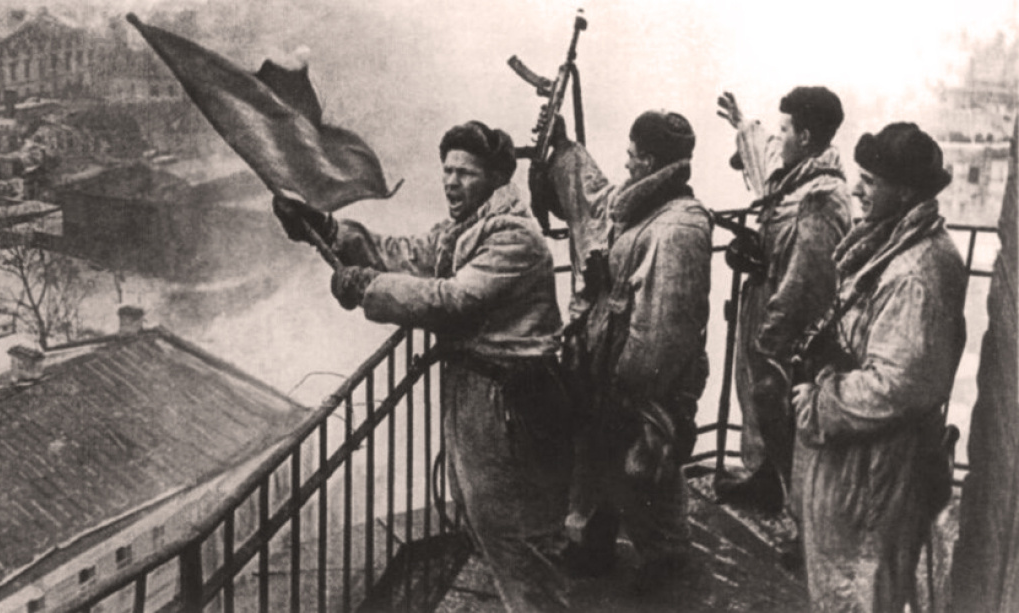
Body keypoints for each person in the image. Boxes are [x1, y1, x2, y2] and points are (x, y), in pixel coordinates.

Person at [274, 121, 572, 613]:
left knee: (516, 538)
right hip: (484, 397)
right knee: (492, 528)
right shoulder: (470, 226)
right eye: (447, 171)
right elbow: (406, 255)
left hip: (511, 404)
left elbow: (452, 300)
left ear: (495, 178)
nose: (451, 182)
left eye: (465, 173)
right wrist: (326, 229)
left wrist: (369, 288)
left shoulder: (514, 238)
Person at [791, 122, 967, 612]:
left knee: (859, 589)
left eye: (870, 181)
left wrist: (821, 400)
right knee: (852, 582)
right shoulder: (900, 245)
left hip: (877, 468)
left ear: (905, 191)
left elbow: (897, 384)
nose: (856, 189)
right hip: (867, 461)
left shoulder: (916, 273)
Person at [538, 110, 712, 586]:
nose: (626, 162)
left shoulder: (677, 229)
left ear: (650, 161)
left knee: (647, 470)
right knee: (606, 461)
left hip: (640, 379)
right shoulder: (645, 205)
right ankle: (595, 546)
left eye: (632, 156)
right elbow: (597, 197)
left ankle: (667, 563)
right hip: (612, 368)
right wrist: (565, 150)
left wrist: (629, 388)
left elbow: (664, 326)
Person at [714, 87, 852, 522]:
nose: (780, 137)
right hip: (768, 305)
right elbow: (767, 151)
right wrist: (742, 123)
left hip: (788, 331)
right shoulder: (799, 173)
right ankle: (765, 479)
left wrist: (771, 339)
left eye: (786, 129)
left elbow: (805, 284)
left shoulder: (821, 198)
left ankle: (802, 518)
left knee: (787, 417)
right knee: (762, 408)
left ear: (806, 137)